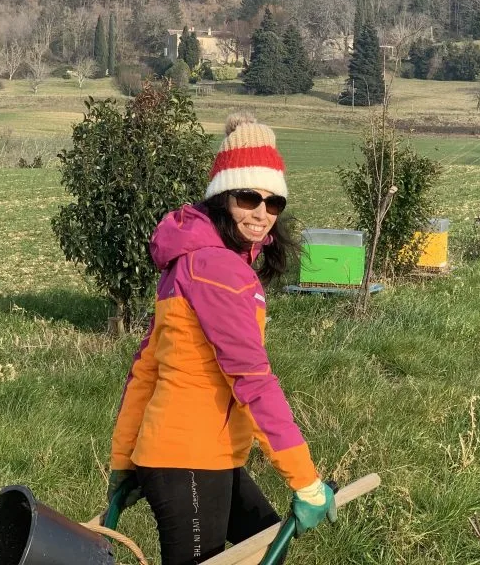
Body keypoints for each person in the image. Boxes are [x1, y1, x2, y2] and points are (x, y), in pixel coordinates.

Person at [106, 112, 336, 565]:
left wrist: (123, 460)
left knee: (268, 542)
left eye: (274, 204)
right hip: (188, 457)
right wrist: (305, 480)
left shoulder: (190, 263)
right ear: (221, 198)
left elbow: (146, 368)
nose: (261, 213)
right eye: (248, 197)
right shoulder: (217, 270)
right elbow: (252, 380)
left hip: (202, 455)